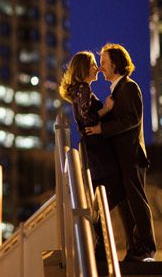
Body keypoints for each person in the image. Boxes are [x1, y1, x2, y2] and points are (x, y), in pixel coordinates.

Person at [85, 43, 156, 262]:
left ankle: (147, 247)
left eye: (104, 62)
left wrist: (101, 128)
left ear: (115, 64)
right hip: (121, 160)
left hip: (131, 157)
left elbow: (131, 120)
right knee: (127, 207)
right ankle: (134, 248)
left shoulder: (129, 87)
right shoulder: (116, 90)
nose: (100, 68)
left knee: (137, 202)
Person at [58, 51, 123, 209]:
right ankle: (98, 230)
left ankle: (98, 229)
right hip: (97, 149)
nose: (98, 68)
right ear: (84, 68)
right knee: (112, 190)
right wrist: (106, 109)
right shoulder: (83, 88)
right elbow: (87, 118)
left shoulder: (78, 90)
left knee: (99, 194)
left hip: (92, 149)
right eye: (93, 64)